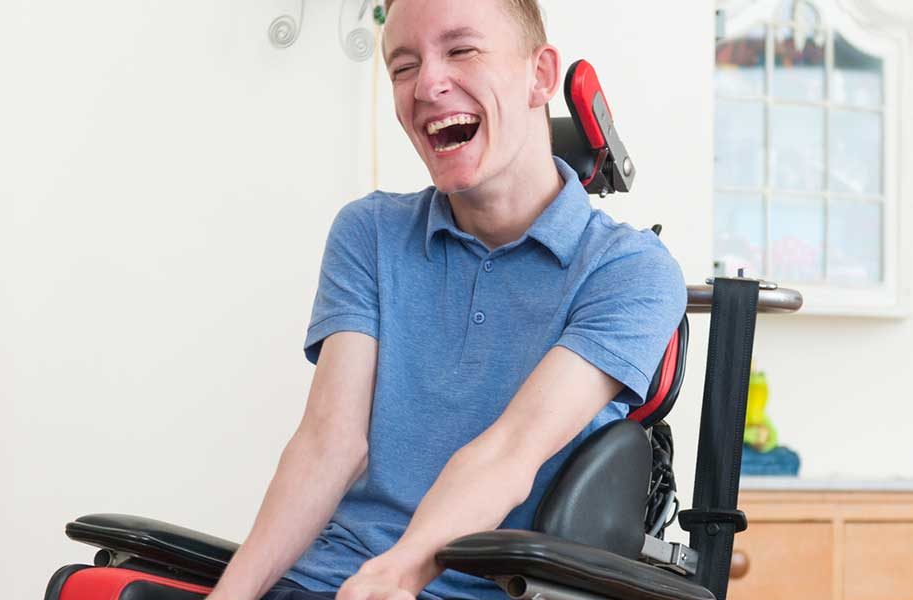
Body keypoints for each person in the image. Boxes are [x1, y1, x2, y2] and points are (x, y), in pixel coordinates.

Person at [203, 1, 686, 598]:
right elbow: (330, 443)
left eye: (461, 50)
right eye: (403, 66)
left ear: (540, 76)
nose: (428, 84)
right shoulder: (370, 233)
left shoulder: (628, 271)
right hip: (323, 581)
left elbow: (509, 453)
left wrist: (397, 572)